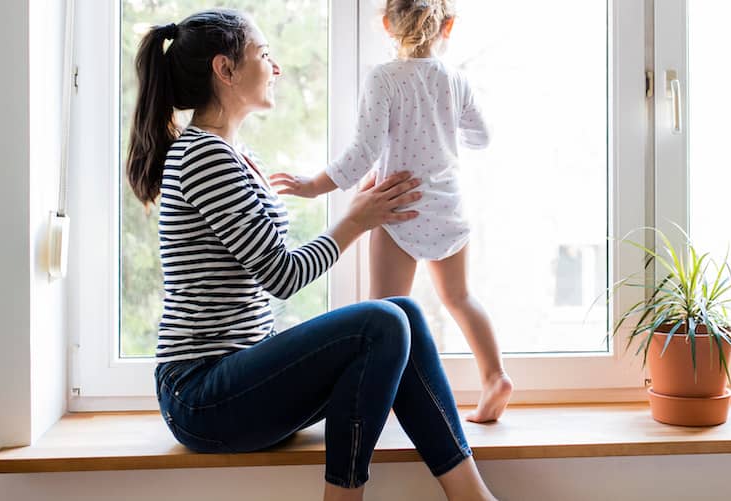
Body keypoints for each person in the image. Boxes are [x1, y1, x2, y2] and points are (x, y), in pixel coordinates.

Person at [125, 9, 498, 501]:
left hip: (237, 379)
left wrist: (360, 210)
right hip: (201, 396)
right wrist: (355, 221)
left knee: (402, 312)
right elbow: (281, 275)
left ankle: (473, 497)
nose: (275, 67)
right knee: (382, 321)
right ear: (225, 70)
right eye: (263, 54)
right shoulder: (203, 156)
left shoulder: (232, 154)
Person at [274, 0, 512, 423]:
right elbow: (482, 137)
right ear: (449, 26)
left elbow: (362, 152)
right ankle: (495, 377)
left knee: (384, 313)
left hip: (397, 208)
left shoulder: (383, 79)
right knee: (459, 297)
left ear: (386, 24)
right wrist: (445, 130)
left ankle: (380, 404)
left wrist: (313, 186)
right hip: (449, 207)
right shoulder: (456, 80)